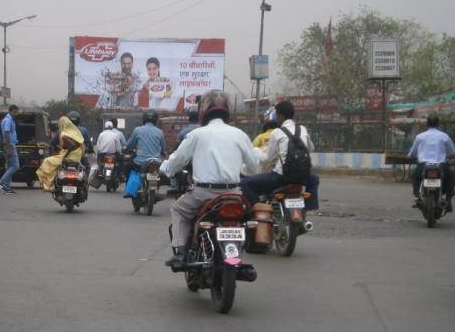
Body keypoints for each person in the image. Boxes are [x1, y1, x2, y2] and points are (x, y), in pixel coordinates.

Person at [160, 90, 259, 267]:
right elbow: (253, 167)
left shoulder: (197, 134)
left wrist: (166, 169)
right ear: (227, 110)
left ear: (203, 111)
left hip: (203, 193)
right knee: (245, 218)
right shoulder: (240, 134)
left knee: (178, 210)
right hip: (233, 193)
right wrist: (240, 170)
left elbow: (178, 160)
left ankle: (181, 253)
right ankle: (238, 252)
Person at [241, 100, 320, 210]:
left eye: (277, 115)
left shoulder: (277, 132)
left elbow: (267, 158)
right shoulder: (302, 129)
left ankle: (258, 209)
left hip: (281, 177)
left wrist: (255, 151)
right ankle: (308, 207)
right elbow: (311, 148)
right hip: (302, 176)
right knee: (315, 179)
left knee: (245, 183)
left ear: (280, 115)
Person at [408, 115, 455, 205]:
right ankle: (448, 199)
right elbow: (453, 153)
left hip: (423, 165)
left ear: (427, 124)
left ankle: (417, 196)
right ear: (438, 124)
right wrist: (453, 157)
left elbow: (412, 153)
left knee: (416, 177)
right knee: (450, 177)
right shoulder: (444, 136)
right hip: (441, 166)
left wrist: (412, 157)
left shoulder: (420, 137)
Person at [123, 110, 166, 196]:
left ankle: (129, 189)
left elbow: (130, 144)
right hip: (155, 162)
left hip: (140, 162)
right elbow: (163, 148)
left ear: (144, 119)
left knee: (127, 167)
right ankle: (156, 189)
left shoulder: (137, 130)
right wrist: (162, 153)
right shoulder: (160, 132)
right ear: (155, 120)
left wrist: (124, 149)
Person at [36, 116, 84, 190]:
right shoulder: (75, 132)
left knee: (46, 161)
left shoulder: (64, 134)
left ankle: (48, 185)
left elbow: (71, 145)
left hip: (69, 157)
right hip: (76, 157)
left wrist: (64, 156)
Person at [0, 104, 20, 194]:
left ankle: (7, 187)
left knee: (10, 166)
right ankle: (1, 182)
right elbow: (6, 133)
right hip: (9, 145)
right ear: (10, 111)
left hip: (9, 145)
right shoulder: (8, 120)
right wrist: (9, 147)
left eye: (17, 112)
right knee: (16, 166)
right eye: (14, 112)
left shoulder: (10, 120)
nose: (16, 114)